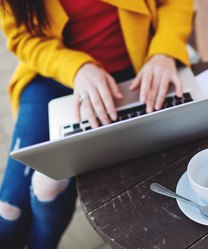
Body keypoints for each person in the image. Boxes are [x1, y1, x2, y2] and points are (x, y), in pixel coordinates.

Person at [0, 0, 193, 248]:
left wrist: (164, 51)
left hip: (133, 72)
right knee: (9, 208)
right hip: (53, 74)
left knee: (49, 187)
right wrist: (78, 68)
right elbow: (23, 38)